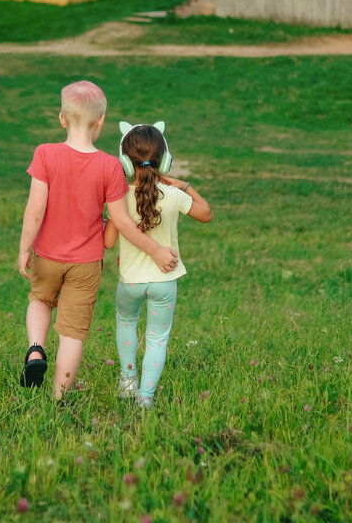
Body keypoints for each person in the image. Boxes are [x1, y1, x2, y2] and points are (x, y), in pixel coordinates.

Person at [17, 81, 180, 400]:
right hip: (86, 264)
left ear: (62, 118)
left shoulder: (45, 154)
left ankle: (35, 349)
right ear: (101, 121)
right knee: (72, 334)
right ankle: (58, 398)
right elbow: (121, 221)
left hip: (47, 254)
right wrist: (156, 250)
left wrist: (24, 248)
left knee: (40, 300)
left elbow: (35, 209)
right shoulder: (108, 166)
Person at [104, 122, 211, 409]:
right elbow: (206, 214)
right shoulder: (174, 195)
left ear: (125, 162)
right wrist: (185, 185)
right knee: (157, 339)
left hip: (131, 283)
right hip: (165, 282)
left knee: (126, 324)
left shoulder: (119, 198)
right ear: (165, 160)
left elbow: (108, 242)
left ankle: (128, 381)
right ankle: (146, 398)